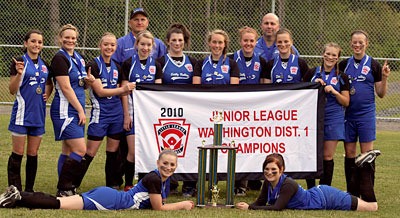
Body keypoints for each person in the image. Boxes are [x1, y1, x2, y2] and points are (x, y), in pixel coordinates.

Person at [0, 150, 195, 211]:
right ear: (157, 162)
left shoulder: (158, 177)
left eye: (172, 165)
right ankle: (18, 198)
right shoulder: (154, 177)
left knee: (58, 201)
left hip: (110, 196)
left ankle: (18, 196)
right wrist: (183, 204)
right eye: (165, 163)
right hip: (111, 200)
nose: (168, 167)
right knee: (58, 204)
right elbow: (158, 208)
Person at [78, 32, 136, 189]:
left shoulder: (118, 66)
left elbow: (122, 92)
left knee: (113, 152)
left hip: (116, 115)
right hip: (100, 115)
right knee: (90, 152)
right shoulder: (93, 65)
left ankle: (112, 185)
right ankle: (71, 185)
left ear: (116, 47)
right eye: (106, 44)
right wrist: (123, 89)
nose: (109, 47)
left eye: (112, 45)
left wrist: (125, 113)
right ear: (100, 45)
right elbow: (101, 92)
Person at [339, 30, 390, 202]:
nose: (357, 45)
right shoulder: (344, 64)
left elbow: (381, 93)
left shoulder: (374, 65)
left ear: (366, 44)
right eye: (354, 42)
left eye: (361, 42)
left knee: (367, 154)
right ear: (351, 44)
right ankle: (352, 194)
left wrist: (384, 77)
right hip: (348, 116)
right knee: (350, 153)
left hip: (366, 116)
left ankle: (367, 193)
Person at [235, 153, 378, 211]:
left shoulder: (288, 184)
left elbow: (277, 208)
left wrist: (250, 208)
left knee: (372, 207)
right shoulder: (268, 182)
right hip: (320, 194)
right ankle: (361, 168)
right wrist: (246, 205)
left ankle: (365, 167)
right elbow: (260, 202)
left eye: (273, 169)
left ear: (282, 169)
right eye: (266, 169)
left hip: (326, 198)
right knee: (357, 199)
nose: (269, 172)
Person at [50, 24, 95, 197]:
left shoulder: (79, 57)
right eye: (66, 37)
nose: (70, 40)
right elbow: (66, 88)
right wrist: (80, 111)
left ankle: (65, 187)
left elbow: (79, 84)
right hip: (65, 110)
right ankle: (64, 187)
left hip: (76, 109)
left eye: (73, 38)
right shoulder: (59, 58)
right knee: (80, 150)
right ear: (60, 39)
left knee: (67, 151)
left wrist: (88, 81)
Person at [7, 29, 53, 192]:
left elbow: (49, 83)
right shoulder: (19, 61)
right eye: (33, 41)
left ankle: (29, 190)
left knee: (33, 153)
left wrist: (48, 92)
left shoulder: (44, 64)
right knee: (18, 153)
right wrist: (19, 74)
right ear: (26, 43)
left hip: (38, 115)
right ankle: (15, 189)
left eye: (39, 42)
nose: (36, 44)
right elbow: (12, 90)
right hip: (22, 114)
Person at [156, 23, 197, 197]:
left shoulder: (193, 62)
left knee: (190, 146)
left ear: (185, 42)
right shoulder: (161, 62)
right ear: (168, 41)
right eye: (174, 40)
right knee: (168, 145)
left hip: (188, 111)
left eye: (180, 40)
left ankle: (189, 185)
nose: (177, 43)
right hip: (166, 111)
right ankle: (169, 183)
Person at [227, 26, 269, 196]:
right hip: (235, 108)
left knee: (250, 145)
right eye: (245, 40)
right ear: (240, 41)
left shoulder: (262, 61)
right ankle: (237, 182)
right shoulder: (231, 59)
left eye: (252, 41)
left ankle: (250, 180)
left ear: (256, 42)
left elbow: (266, 87)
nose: (248, 43)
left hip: (254, 110)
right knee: (235, 144)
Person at [121, 30, 162, 191]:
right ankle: (129, 184)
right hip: (132, 112)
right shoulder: (128, 63)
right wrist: (126, 115)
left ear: (153, 46)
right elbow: (123, 91)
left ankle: (147, 184)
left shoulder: (156, 65)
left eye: (148, 45)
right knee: (132, 150)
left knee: (149, 149)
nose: (145, 48)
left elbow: (158, 93)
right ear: (136, 45)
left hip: (149, 114)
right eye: (142, 44)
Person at [304, 42, 350, 186]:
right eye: (327, 54)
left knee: (327, 155)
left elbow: (346, 102)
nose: (330, 57)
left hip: (333, 118)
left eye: (333, 55)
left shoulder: (342, 77)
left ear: (337, 58)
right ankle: (311, 190)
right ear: (323, 54)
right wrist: (312, 86)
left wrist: (334, 91)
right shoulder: (312, 73)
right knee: (311, 154)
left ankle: (324, 190)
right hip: (313, 117)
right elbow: (301, 95)